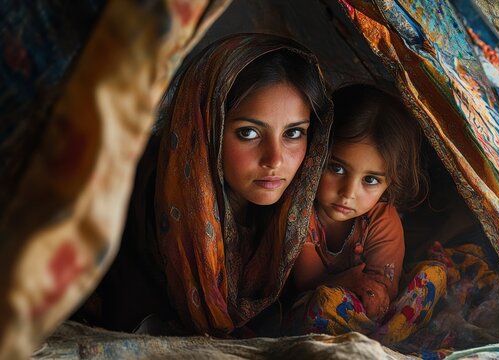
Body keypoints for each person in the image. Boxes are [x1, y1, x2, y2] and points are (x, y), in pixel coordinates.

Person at [78, 33, 332, 335]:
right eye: (248, 133)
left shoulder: (308, 218)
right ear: (204, 129)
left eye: (293, 133)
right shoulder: (131, 210)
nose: (275, 160)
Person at [285, 84, 447, 346]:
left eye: (370, 180)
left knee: (433, 276)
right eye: (336, 169)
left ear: (389, 183)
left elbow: (384, 287)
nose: (348, 193)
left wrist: (371, 293)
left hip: (376, 307)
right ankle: (379, 342)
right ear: (315, 155)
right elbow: (306, 283)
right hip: (322, 308)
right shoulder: (302, 212)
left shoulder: (382, 219)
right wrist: (349, 281)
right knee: (325, 301)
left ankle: (383, 338)